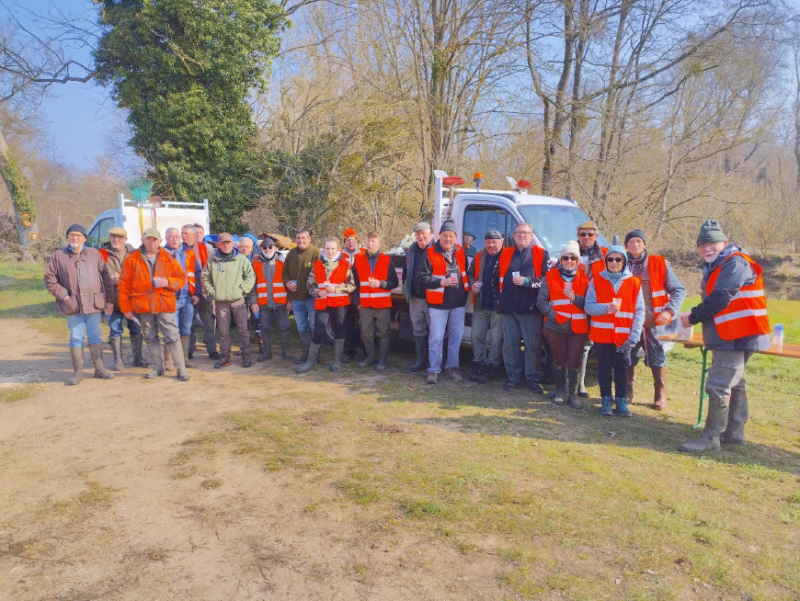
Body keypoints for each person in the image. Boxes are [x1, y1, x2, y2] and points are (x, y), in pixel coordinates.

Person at [678, 220, 770, 453]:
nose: (707, 249)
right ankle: (735, 433)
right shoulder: (720, 264)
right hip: (734, 333)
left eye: (712, 244)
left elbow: (720, 298)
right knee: (735, 382)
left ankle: (710, 438)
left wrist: (693, 317)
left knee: (718, 384)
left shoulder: (735, 262)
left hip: (737, 334)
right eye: (702, 245)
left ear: (725, 243)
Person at [44, 223, 114, 385]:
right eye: (71, 235)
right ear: (68, 237)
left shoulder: (94, 254)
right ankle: (78, 372)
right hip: (72, 305)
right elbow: (50, 280)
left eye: (78, 235)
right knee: (76, 337)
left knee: (95, 335)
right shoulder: (58, 255)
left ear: (84, 238)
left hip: (93, 304)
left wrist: (109, 300)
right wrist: (65, 296)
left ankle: (100, 368)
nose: (74, 238)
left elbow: (106, 277)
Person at [624, 229, 686, 410]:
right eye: (631, 242)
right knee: (628, 357)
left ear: (644, 244)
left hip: (655, 322)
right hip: (629, 322)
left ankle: (660, 393)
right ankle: (627, 392)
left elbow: (679, 290)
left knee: (657, 356)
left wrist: (670, 311)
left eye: (638, 241)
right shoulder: (620, 262)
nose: (635, 245)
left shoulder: (660, 263)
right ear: (626, 245)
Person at [118, 228, 189, 381]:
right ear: (143, 240)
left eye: (154, 239)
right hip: (144, 306)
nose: (152, 242)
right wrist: (126, 309)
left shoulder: (168, 258)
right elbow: (123, 286)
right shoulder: (132, 259)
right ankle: (158, 367)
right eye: (148, 239)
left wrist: (169, 282)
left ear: (160, 241)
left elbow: (182, 280)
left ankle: (181, 369)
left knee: (173, 337)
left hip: (164, 304)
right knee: (150, 338)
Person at [584, 245, 644, 417]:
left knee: (622, 369)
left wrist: (634, 337)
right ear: (605, 261)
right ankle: (605, 400)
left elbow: (640, 312)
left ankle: (621, 400)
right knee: (603, 369)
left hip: (624, 337)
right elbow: (588, 307)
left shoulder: (634, 283)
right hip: (602, 336)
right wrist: (605, 308)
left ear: (624, 261)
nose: (614, 262)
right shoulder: (596, 280)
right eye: (610, 259)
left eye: (618, 259)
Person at [493, 222, 551, 392]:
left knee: (532, 346)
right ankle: (513, 377)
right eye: (518, 233)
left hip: (531, 310)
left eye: (525, 233)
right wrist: (500, 301)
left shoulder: (541, 254)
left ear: (532, 236)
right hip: (509, 310)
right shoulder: (505, 254)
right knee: (510, 346)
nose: (521, 236)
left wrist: (528, 282)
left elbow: (547, 281)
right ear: (514, 235)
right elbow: (495, 281)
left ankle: (532, 379)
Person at [536, 241, 589, 408]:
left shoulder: (585, 279)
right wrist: (554, 317)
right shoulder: (550, 276)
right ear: (560, 259)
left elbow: (589, 304)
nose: (569, 260)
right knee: (558, 359)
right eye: (565, 257)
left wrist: (576, 298)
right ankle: (560, 391)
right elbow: (541, 302)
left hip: (578, 328)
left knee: (574, 360)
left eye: (573, 258)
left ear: (577, 260)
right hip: (555, 327)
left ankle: (573, 395)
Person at [418, 220, 470, 384]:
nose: (448, 239)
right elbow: (421, 278)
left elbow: (465, 273)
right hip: (438, 305)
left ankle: (452, 368)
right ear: (439, 236)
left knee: (456, 337)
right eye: (445, 235)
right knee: (436, 338)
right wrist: (442, 282)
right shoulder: (430, 253)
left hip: (458, 304)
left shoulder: (460, 251)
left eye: (451, 236)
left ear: (456, 237)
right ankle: (433, 370)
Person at [297, 237, 356, 373]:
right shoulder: (317, 264)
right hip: (323, 302)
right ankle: (310, 361)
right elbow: (309, 284)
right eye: (327, 248)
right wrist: (317, 292)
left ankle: (336, 361)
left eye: (333, 248)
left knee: (339, 329)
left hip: (340, 303)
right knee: (319, 329)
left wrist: (336, 289)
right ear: (324, 249)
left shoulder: (345, 265)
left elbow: (352, 286)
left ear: (338, 249)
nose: (330, 251)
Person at [202, 232, 256, 368]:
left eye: (228, 242)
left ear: (233, 244)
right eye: (223, 243)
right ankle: (225, 356)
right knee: (223, 331)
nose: (226, 245)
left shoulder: (241, 259)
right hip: (220, 302)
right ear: (218, 244)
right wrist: (212, 292)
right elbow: (205, 277)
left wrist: (242, 290)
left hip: (238, 300)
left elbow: (250, 276)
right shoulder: (212, 260)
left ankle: (246, 355)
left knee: (243, 329)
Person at [99, 227, 147, 370]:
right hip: (112, 299)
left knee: (136, 329)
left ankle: (138, 359)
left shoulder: (134, 253)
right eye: (113, 237)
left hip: (132, 299)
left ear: (125, 239)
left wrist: (121, 278)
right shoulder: (102, 254)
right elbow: (98, 275)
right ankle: (118, 361)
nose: (116, 240)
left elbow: (141, 272)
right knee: (115, 330)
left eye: (119, 237)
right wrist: (108, 280)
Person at [352, 231, 398, 371]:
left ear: (379, 244)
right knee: (365, 333)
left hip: (383, 305)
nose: (370, 244)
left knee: (383, 333)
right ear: (365, 242)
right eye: (368, 241)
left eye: (373, 241)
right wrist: (357, 304)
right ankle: (370, 357)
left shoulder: (386, 259)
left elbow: (394, 282)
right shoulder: (358, 259)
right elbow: (354, 284)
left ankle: (382, 361)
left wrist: (381, 284)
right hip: (364, 305)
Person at [466, 229, 504, 383]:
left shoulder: (508, 256)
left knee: (497, 338)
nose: (491, 245)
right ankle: (479, 363)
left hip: (499, 305)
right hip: (481, 303)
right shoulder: (480, 255)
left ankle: (492, 366)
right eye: (488, 242)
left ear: (501, 242)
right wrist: (472, 284)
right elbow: (469, 274)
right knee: (476, 335)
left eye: (494, 242)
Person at [575, 221, 608, 397]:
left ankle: (581, 384)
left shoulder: (605, 255)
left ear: (596, 236)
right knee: (571, 345)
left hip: (595, 307)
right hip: (573, 305)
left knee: (587, 346)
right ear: (578, 236)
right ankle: (569, 382)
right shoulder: (570, 253)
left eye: (590, 234)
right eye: (582, 234)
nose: (586, 238)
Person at [247, 235, 292, 361]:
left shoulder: (283, 263)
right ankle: (267, 352)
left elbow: (288, 283)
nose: (267, 249)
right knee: (265, 328)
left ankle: (286, 351)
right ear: (261, 249)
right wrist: (253, 301)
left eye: (270, 247)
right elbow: (252, 285)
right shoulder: (255, 263)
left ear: (275, 248)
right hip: (263, 303)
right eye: (264, 247)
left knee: (284, 327)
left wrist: (290, 300)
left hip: (281, 303)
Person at [164, 227, 202, 369]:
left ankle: (185, 358)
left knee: (186, 330)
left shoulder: (189, 253)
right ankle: (169, 360)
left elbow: (197, 274)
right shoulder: (161, 254)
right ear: (166, 239)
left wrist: (197, 294)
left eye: (176, 236)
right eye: (171, 236)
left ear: (180, 238)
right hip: (171, 299)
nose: (174, 239)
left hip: (187, 299)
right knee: (171, 330)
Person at [283, 229, 321, 364]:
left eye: (303, 237)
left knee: (313, 326)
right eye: (298, 238)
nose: (301, 240)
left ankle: (314, 355)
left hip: (311, 297)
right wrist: (287, 283)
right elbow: (285, 271)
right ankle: (306, 353)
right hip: (296, 298)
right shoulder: (291, 254)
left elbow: (321, 274)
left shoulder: (316, 252)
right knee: (301, 327)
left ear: (309, 239)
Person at [402, 221, 434, 372]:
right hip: (415, 298)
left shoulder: (437, 249)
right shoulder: (411, 250)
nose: (421, 237)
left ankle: (435, 363)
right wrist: (408, 290)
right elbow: (405, 273)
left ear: (431, 234)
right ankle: (420, 361)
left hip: (432, 299)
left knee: (436, 332)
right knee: (418, 330)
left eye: (424, 233)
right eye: (418, 234)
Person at [184, 224, 218, 360]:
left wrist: (207, 289)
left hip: (204, 292)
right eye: (183, 233)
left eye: (186, 234)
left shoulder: (205, 249)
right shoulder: (180, 250)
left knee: (209, 323)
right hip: (187, 293)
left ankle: (212, 350)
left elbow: (211, 268)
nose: (183, 236)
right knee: (189, 324)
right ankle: (189, 350)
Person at [341, 227, 364, 363]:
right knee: (348, 324)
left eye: (353, 239)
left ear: (357, 240)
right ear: (344, 241)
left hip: (361, 293)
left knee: (364, 323)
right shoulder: (339, 255)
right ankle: (349, 352)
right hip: (346, 294)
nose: (350, 242)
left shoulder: (363, 253)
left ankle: (364, 350)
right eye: (348, 240)